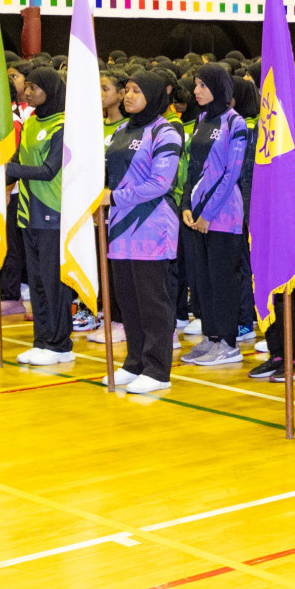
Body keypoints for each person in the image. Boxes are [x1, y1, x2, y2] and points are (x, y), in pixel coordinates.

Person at [102, 73, 184, 395]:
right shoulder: (122, 130)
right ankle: (134, 362)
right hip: (120, 227)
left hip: (152, 225)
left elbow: (160, 183)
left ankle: (157, 369)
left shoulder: (166, 132)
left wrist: (114, 198)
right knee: (128, 299)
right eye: (127, 91)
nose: (128, 96)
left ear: (152, 94)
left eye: (136, 91)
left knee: (153, 300)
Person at [179, 64, 249, 367]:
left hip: (224, 215)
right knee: (203, 280)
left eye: (203, 85)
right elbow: (192, 167)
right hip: (197, 215)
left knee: (223, 281)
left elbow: (231, 173)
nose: (197, 91)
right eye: (196, 85)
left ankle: (230, 343)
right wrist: (186, 205)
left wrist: (208, 213)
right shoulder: (201, 120)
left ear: (219, 87)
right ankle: (211, 337)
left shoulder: (237, 124)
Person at [6, 67, 74, 365]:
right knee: (36, 281)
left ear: (51, 90)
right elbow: (20, 160)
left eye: (35, 87)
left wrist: (10, 171)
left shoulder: (63, 125)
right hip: (28, 210)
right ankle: (42, 340)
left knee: (53, 281)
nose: (28, 92)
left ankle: (60, 344)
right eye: (27, 87)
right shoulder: (32, 122)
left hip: (53, 211)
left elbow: (49, 170)